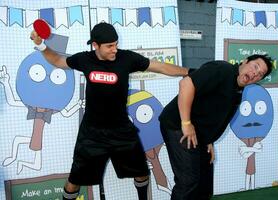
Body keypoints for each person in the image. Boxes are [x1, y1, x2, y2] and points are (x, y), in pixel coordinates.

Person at [30, 22, 189, 200]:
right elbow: (58, 61)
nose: (115, 49)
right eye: (110, 46)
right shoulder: (84, 59)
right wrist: (41, 45)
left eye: (116, 44)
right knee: (74, 180)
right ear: (95, 45)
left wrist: (189, 72)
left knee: (142, 172)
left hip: (121, 130)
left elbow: (161, 67)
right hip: (91, 133)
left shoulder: (126, 58)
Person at [159, 54, 273, 200]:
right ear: (244, 61)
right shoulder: (222, 70)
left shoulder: (238, 88)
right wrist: (186, 123)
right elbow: (186, 84)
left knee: (205, 181)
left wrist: (209, 140)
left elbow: (213, 113)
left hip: (200, 133)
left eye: (260, 74)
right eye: (255, 66)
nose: (255, 74)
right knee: (188, 181)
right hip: (177, 124)